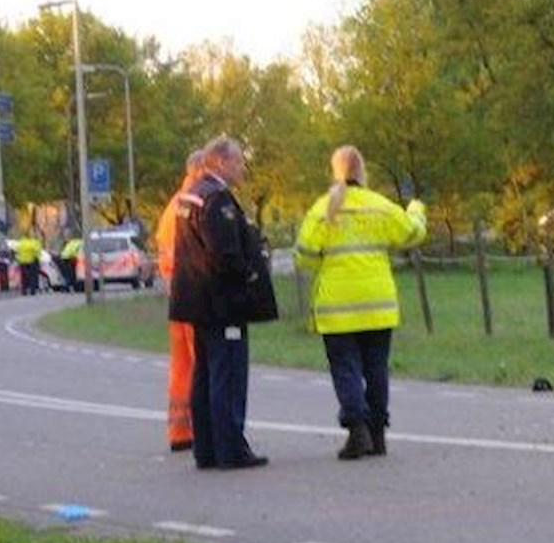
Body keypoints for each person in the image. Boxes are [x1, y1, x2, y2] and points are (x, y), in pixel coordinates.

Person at [293, 145, 427, 460]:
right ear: (363, 171)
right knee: (376, 368)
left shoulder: (324, 208)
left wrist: (326, 265)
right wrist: (417, 209)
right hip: (378, 303)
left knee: (346, 369)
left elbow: (304, 255)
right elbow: (412, 234)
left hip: (337, 306)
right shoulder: (380, 206)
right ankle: (378, 434)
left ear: (335, 171)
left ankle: (358, 430)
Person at [168, 135, 267, 471]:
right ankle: (230, 448)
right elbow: (225, 252)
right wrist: (250, 274)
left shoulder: (190, 195)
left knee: (205, 375)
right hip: (221, 301)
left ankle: (207, 448)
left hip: (195, 300)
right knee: (228, 375)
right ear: (221, 162)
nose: (242, 167)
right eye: (238, 161)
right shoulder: (217, 199)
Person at [154, 150, 207, 453]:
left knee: (182, 367)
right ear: (200, 169)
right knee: (203, 365)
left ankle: (180, 430)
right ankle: (205, 428)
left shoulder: (173, 205)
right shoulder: (194, 204)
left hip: (177, 297)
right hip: (194, 295)